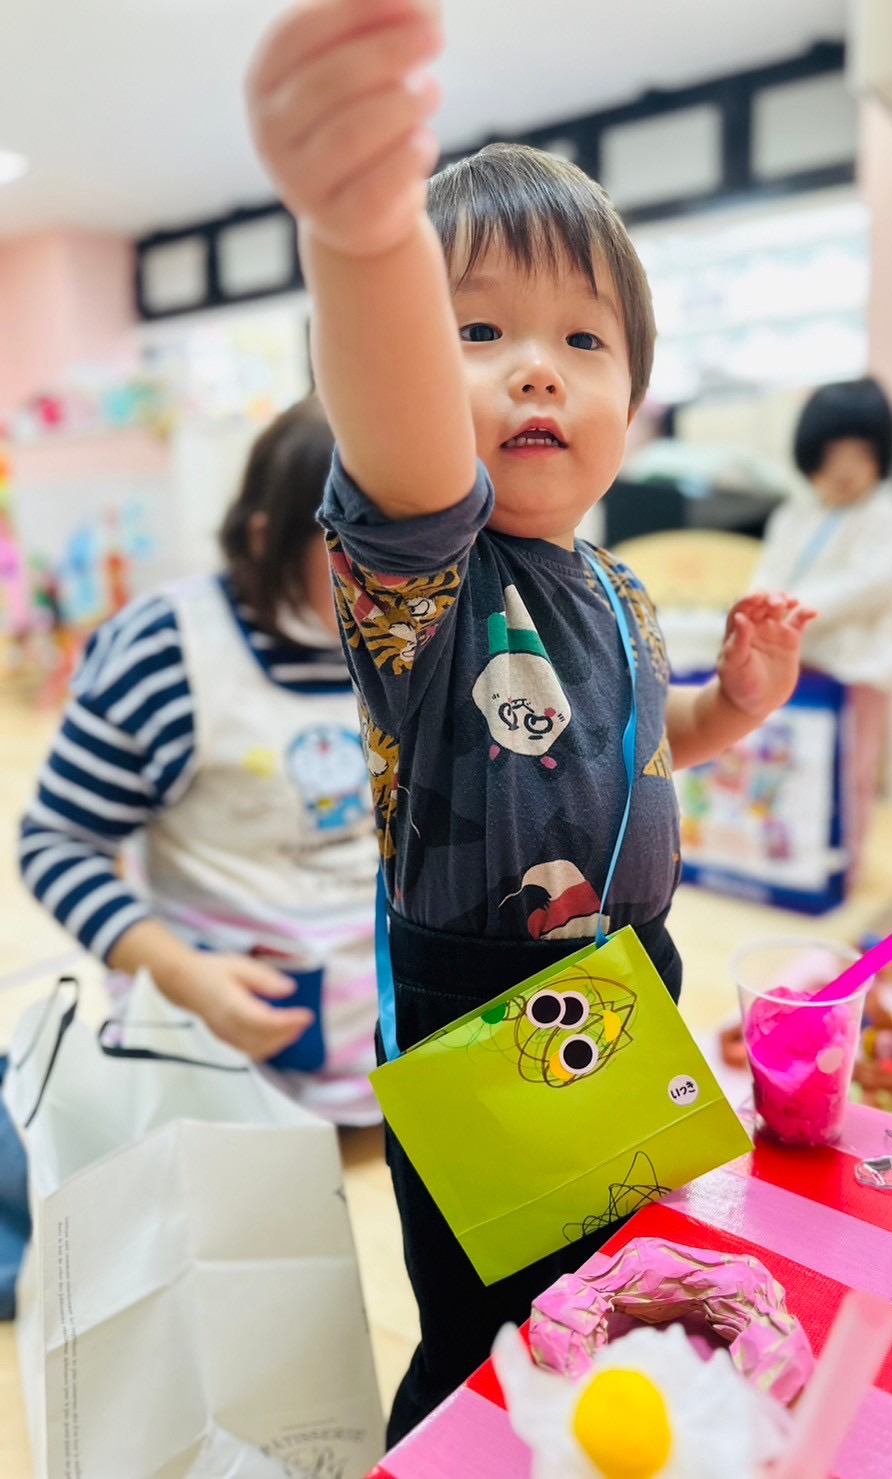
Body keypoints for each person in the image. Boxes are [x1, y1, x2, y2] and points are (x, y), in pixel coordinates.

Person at [245, 0, 814, 1442]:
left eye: (582, 338)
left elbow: (638, 745)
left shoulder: (618, 585)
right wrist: (363, 237)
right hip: (479, 1017)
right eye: (478, 330)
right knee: (487, 1339)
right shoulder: (428, 577)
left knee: (612, 1288)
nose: (537, 366)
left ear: (635, 395)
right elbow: (404, 441)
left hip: (629, 980)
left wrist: (732, 707)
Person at [19, 397, 381, 1126]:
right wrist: (183, 975)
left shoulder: (426, 633)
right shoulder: (169, 650)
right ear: (265, 538)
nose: (403, 575)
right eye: (360, 549)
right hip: (220, 1069)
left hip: (391, 1069)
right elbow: (57, 844)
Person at [752, 377, 892, 865]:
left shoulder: (884, 516)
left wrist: (791, 609)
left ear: (882, 457)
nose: (846, 469)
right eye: (833, 455)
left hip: (861, 668)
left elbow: (870, 583)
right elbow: (766, 573)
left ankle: (846, 859)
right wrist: (758, 607)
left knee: (854, 768)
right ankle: (797, 856)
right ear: (811, 456)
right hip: (800, 662)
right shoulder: (793, 515)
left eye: (861, 455)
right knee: (798, 761)